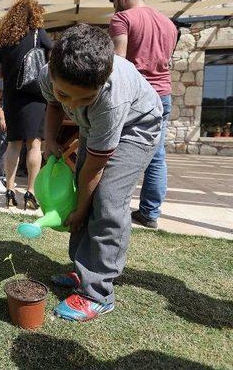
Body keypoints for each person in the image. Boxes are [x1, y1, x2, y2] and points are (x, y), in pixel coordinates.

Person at [41, 24, 162, 322]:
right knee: (82, 188)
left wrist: (80, 211)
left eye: (84, 99)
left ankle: (98, 292)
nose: (73, 104)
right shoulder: (50, 73)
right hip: (93, 128)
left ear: (103, 82)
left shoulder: (110, 99)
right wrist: (50, 139)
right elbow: (54, 104)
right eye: (66, 94)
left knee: (106, 199)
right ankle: (83, 269)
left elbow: (94, 169)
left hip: (138, 127)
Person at [109, 0, 178, 229]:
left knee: (113, 151)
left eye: (116, 2)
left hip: (136, 95)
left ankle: (109, 208)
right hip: (163, 94)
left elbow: (119, 62)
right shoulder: (169, 24)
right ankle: (150, 212)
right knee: (157, 155)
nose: (116, 8)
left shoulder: (123, 19)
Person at [0, 0, 53, 210]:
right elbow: (52, 55)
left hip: (12, 98)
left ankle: (9, 190)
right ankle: (30, 192)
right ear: (35, 14)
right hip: (35, 96)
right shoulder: (38, 34)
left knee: (13, 144)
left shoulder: (5, 39)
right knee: (34, 144)